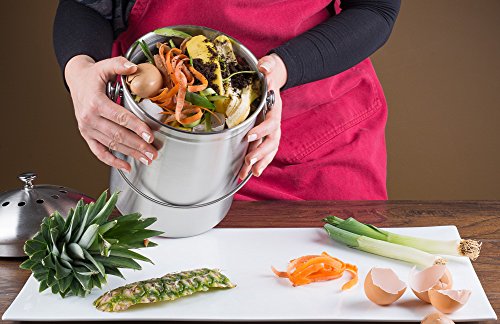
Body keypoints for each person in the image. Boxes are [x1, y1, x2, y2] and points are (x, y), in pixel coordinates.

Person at [54, 0, 400, 200]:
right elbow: (86, 4)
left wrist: (279, 71)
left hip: (317, 142)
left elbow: (376, 7)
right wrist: (81, 71)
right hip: (168, 146)